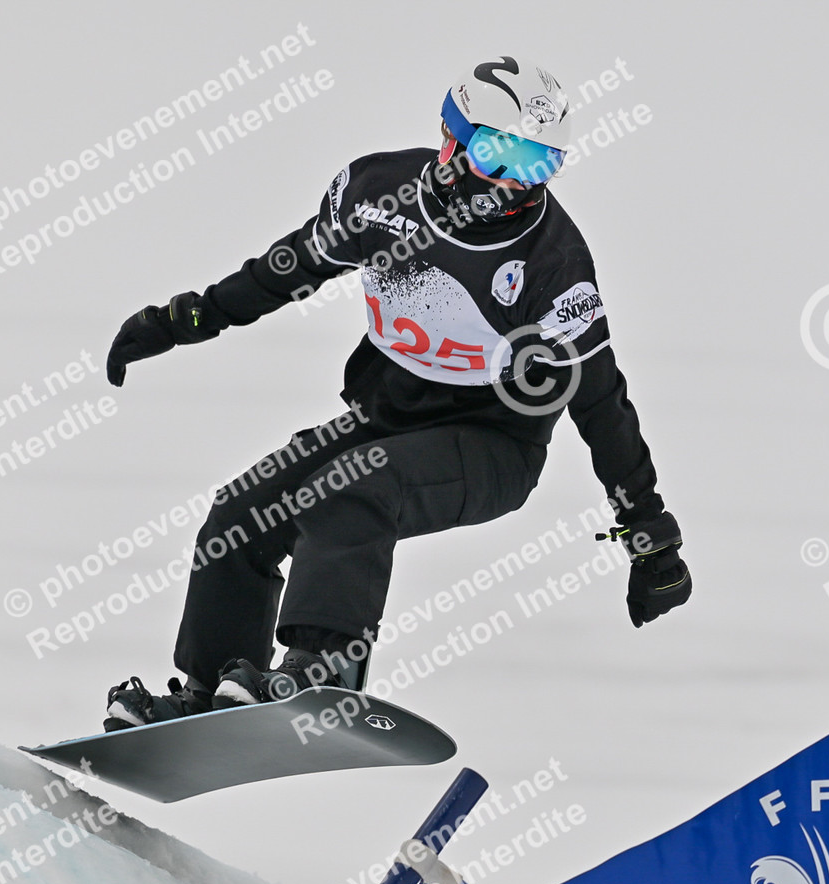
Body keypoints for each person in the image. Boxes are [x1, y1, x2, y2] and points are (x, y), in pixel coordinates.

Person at [100, 56, 690, 730]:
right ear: (451, 140)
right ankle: (210, 695)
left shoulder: (552, 265)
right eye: (500, 155)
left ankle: (320, 672)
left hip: (494, 446)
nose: (514, 182)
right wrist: (182, 320)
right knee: (240, 513)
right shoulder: (378, 199)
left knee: (355, 488)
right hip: (383, 420)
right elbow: (282, 272)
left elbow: (601, 401)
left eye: (537, 164)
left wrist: (650, 535)